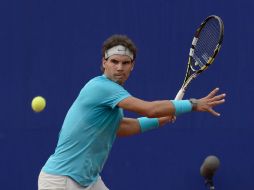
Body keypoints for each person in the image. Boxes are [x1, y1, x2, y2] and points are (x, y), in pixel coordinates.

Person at [38, 34, 226, 190]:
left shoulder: (110, 95)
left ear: (132, 65)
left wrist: (161, 120)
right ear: (104, 62)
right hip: (60, 180)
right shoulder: (101, 87)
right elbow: (150, 109)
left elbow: (120, 127)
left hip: (88, 181)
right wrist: (192, 104)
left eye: (125, 63)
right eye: (114, 61)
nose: (119, 68)